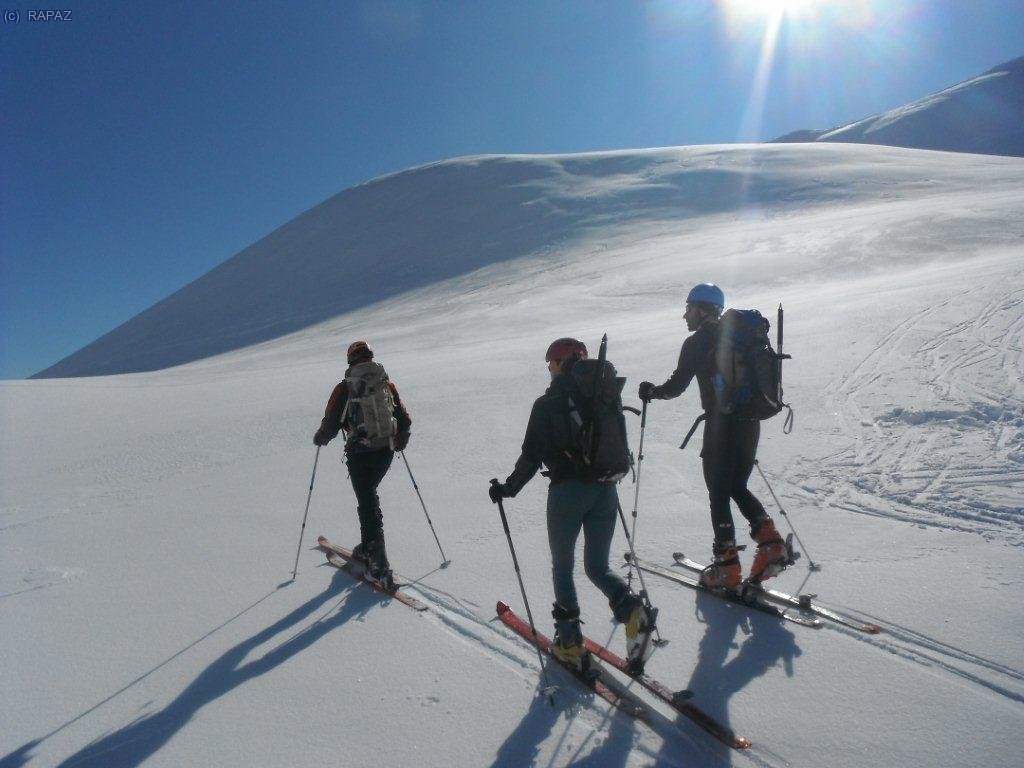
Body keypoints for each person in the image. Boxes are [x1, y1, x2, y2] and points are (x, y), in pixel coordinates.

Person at [489, 337, 654, 672]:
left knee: (562, 567)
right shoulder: (604, 394)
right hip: (605, 489)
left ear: (560, 363)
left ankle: (569, 642)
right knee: (597, 566)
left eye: (551, 363)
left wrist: (507, 489)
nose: (549, 371)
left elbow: (531, 456)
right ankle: (633, 609)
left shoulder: (549, 402)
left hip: (568, 494)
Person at [638, 284, 788, 590]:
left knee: (718, 493)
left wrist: (651, 392)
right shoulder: (741, 338)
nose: (684, 315)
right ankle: (771, 543)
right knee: (737, 486)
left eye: (689, 308)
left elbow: (677, 386)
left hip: (721, 425)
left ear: (702, 309)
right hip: (750, 422)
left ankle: (727, 567)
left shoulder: (697, 342)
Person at [314, 341, 411, 584]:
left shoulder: (345, 388)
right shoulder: (386, 384)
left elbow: (331, 423)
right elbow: (405, 420)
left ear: (350, 361)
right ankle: (370, 547)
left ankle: (378, 563)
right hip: (385, 452)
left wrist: (321, 437)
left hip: (359, 455)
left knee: (367, 503)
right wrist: (400, 440)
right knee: (369, 498)